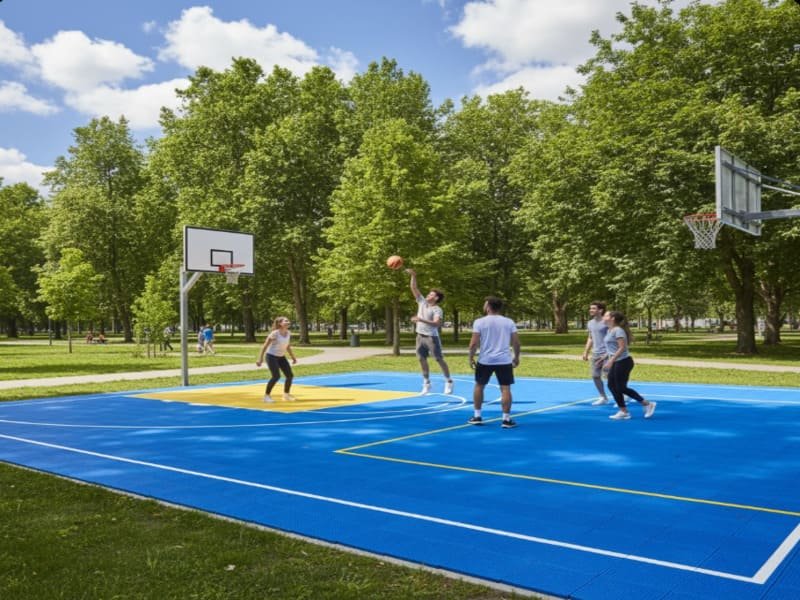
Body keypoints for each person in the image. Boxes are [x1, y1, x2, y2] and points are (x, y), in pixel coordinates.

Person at [467, 296, 521, 428]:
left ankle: (477, 416)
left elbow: (473, 343)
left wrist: (470, 357)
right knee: (505, 388)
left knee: (479, 386)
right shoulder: (509, 322)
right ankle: (506, 419)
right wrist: (516, 357)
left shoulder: (479, 322)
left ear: (489, 306)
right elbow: (516, 342)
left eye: (485, 304)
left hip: (485, 360)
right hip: (504, 360)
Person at [405, 268, 454, 395]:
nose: (428, 295)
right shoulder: (422, 302)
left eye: (431, 294)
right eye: (428, 293)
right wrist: (414, 276)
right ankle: (426, 383)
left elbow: (437, 324)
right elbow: (414, 288)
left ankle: (448, 381)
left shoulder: (437, 309)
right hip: (420, 336)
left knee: (438, 359)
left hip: (431, 337)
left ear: (436, 298)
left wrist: (421, 319)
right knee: (421, 359)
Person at [602, 310, 657, 420]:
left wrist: (610, 361)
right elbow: (612, 348)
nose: (603, 316)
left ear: (612, 318)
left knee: (620, 387)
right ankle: (624, 411)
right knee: (611, 386)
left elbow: (622, 348)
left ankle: (647, 404)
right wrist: (604, 358)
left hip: (623, 362)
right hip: (616, 361)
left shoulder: (618, 330)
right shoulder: (610, 330)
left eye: (606, 315)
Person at [256, 316, 298, 402]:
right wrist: (260, 359)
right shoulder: (275, 333)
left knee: (289, 375)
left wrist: (293, 357)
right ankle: (266, 396)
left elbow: (287, 346)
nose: (288, 322)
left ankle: (286, 395)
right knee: (276, 376)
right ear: (280, 323)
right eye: (285, 321)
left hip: (281, 357)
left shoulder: (288, 333)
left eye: (288, 321)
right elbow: (265, 346)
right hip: (271, 356)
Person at [581, 301, 610, 406]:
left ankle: (622, 393)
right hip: (596, 354)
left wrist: (608, 353)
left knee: (610, 377)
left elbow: (613, 337)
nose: (590, 310)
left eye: (593, 308)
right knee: (595, 376)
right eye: (590, 308)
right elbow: (590, 338)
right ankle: (603, 397)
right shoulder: (590, 323)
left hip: (607, 354)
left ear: (600, 310)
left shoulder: (607, 322)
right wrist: (586, 352)